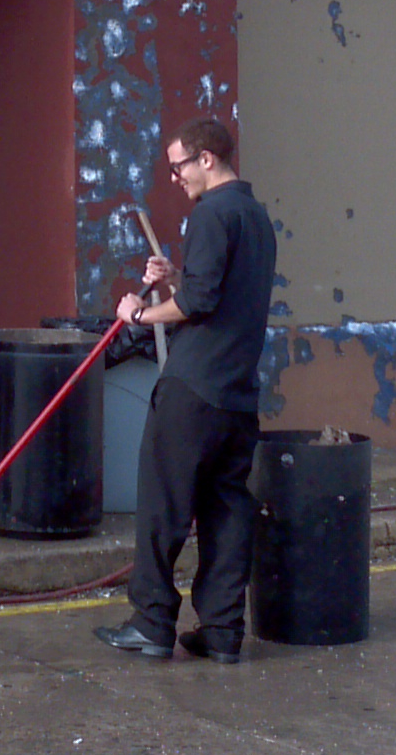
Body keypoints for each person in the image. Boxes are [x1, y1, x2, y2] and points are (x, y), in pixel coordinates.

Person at [93, 115, 275, 664]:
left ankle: (151, 623)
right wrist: (175, 278)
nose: (175, 178)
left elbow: (199, 304)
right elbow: (213, 291)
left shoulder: (211, 214)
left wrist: (140, 312)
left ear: (206, 160)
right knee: (225, 508)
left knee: (162, 507)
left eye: (178, 167)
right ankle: (221, 631)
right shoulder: (256, 217)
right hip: (238, 393)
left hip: (193, 388)